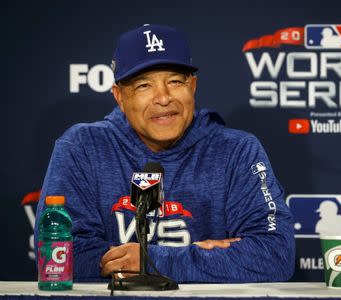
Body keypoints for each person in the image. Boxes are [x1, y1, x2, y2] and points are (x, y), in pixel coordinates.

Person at [34, 24, 295, 283]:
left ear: (193, 86)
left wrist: (152, 261)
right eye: (143, 85)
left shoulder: (237, 151)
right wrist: (210, 259)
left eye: (175, 81)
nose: (163, 98)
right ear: (119, 96)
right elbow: (62, 256)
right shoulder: (82, 147)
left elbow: (274, 254)